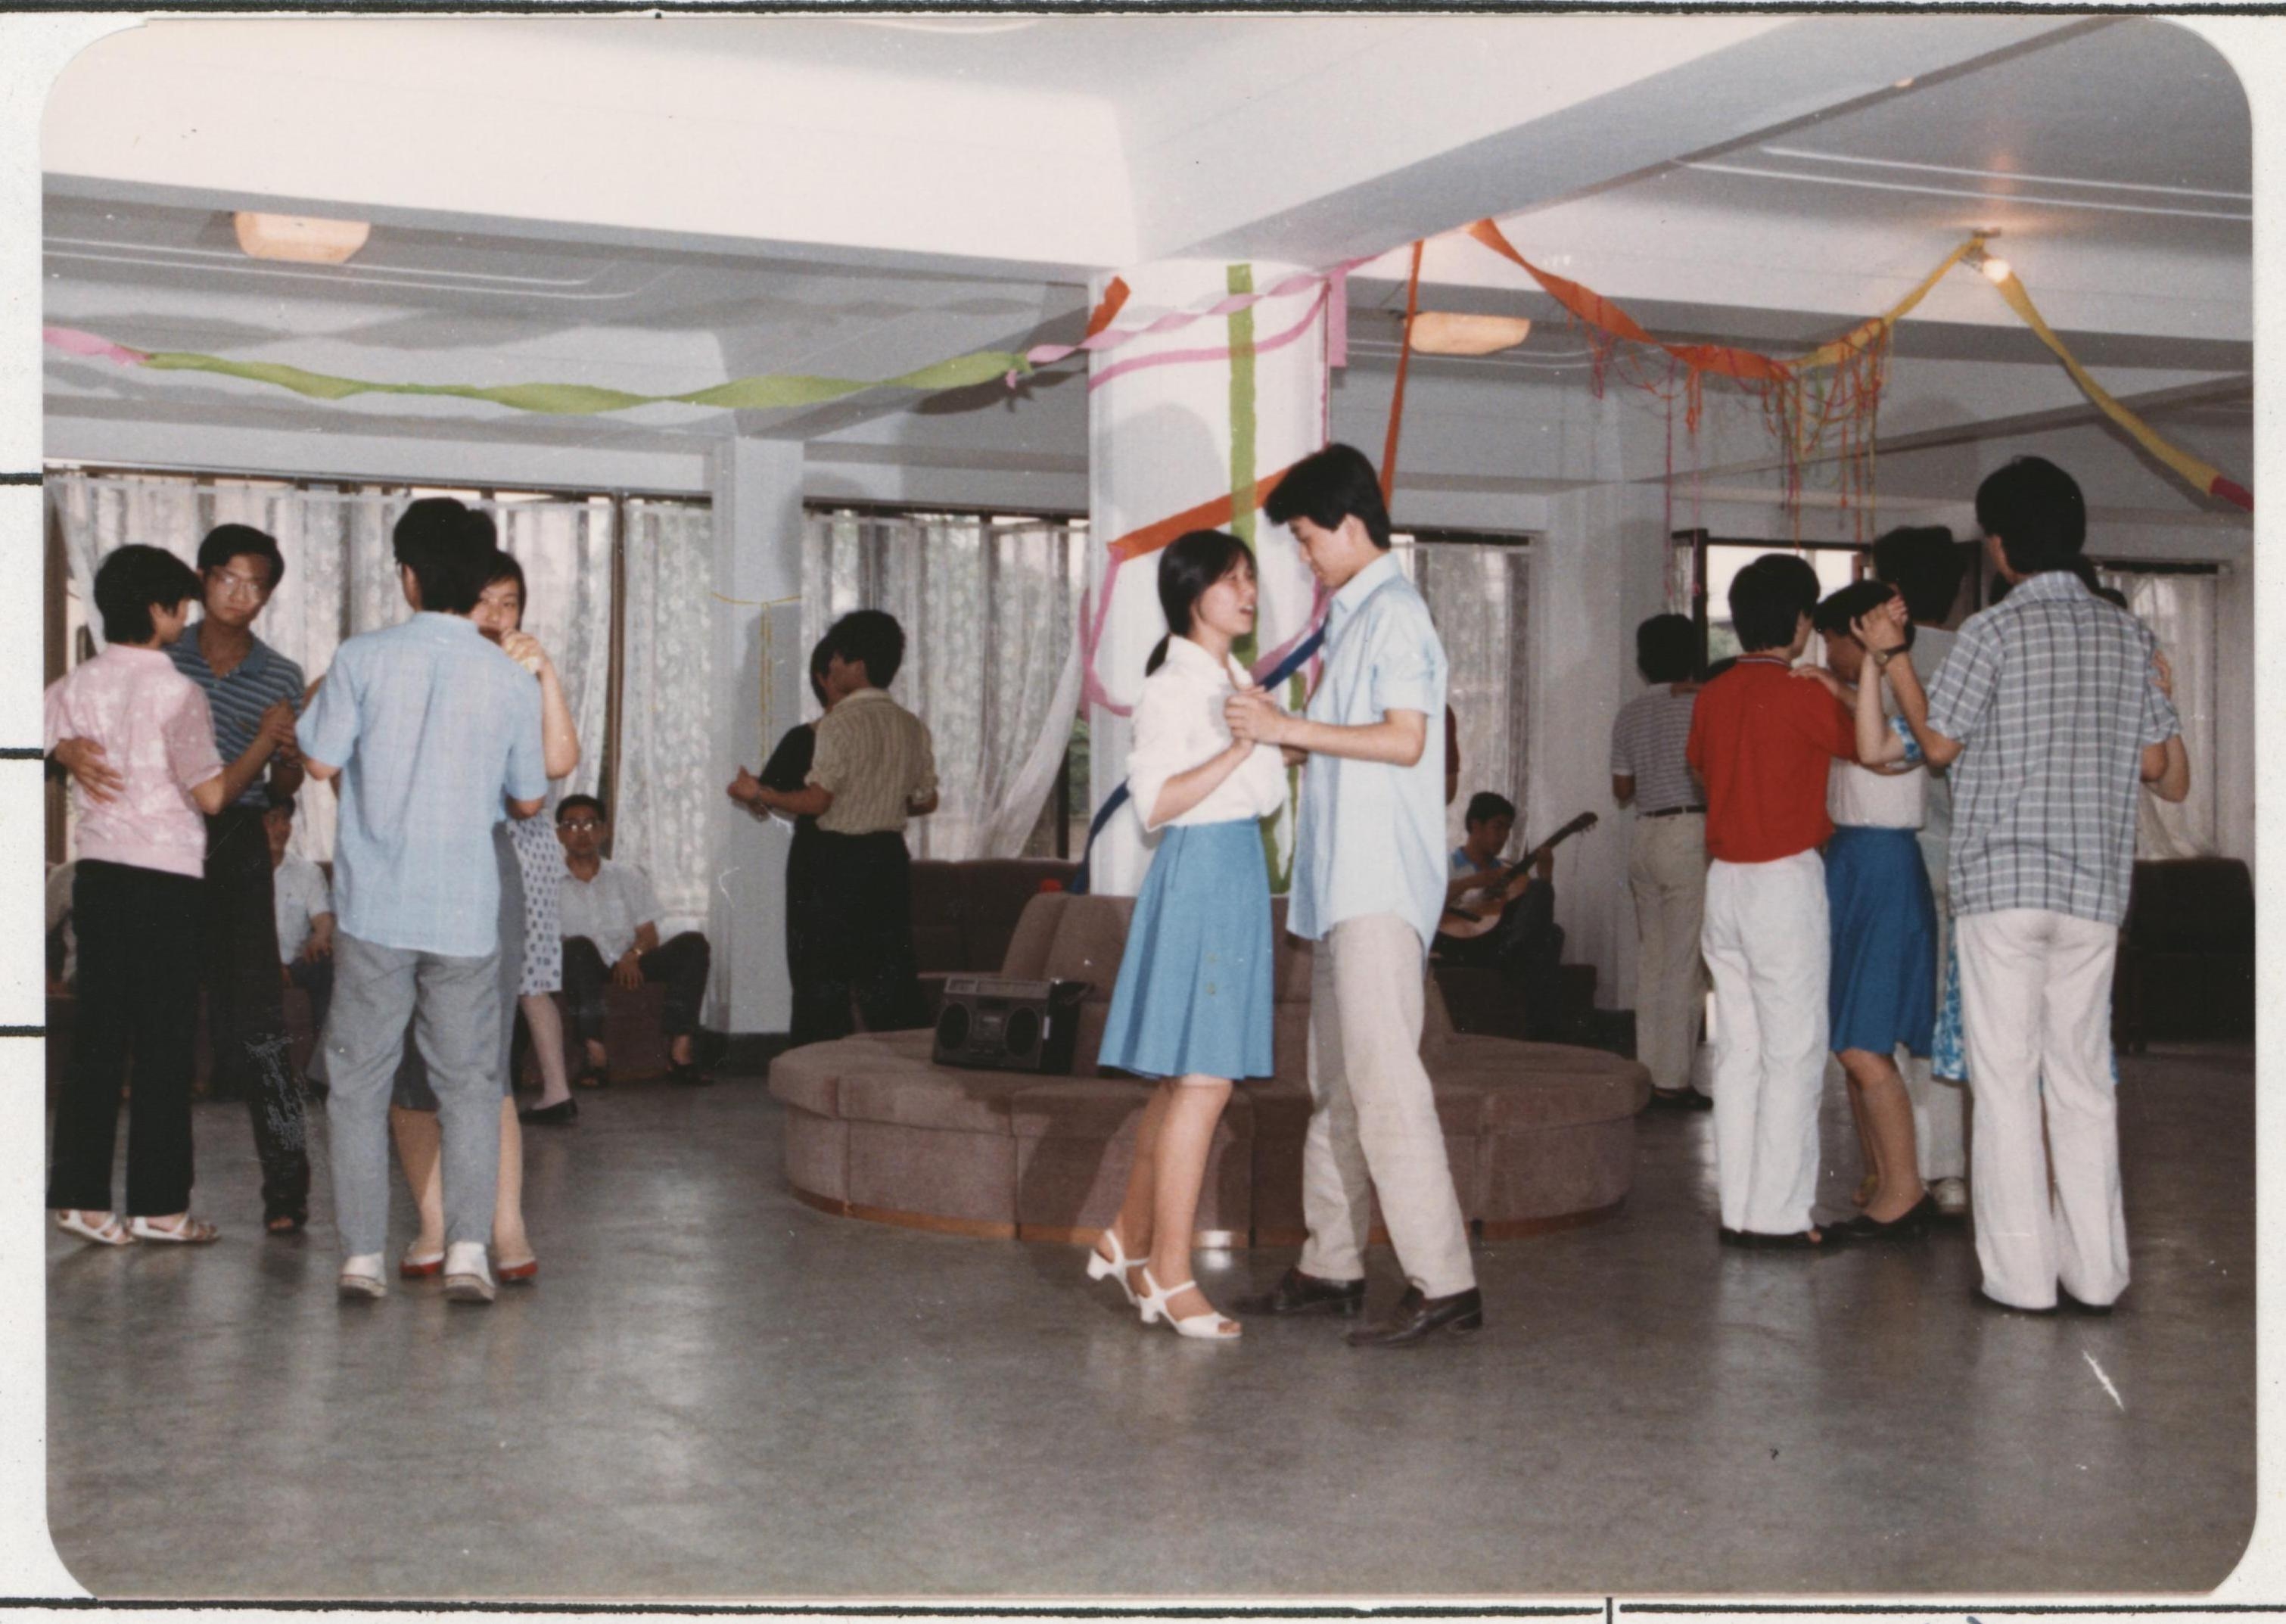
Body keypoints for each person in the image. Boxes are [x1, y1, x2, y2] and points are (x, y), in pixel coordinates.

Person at [1868, 457, 2188, 1314]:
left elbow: (1939, 746)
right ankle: (2098, 1274)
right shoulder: (2128, 636)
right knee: (2082, 1080)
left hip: (2004, 888)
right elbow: (2159, 770)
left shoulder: (1992, 631)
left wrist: (1895, 662)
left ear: (2001, 546)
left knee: (2006, 1085)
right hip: (2093, 895)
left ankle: (2021, 1281)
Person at [1226, 443, 1482, 1348]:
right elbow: (1351, 744)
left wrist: (1290, 726)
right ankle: (1330, 1264)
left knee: (1384, 1087)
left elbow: (1407, 740)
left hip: (1378, 888)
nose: (1303, 557)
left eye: (1304, 538)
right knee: (1334, 1087)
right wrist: (1285, 737)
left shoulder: (1397, 614)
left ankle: (1446, 1282)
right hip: (1342, 890)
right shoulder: (1357, 616)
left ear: (1345, 523)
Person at [297, 498, 549, 1304]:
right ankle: (469, 1251)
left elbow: (318, 761)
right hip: (466, 911)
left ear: (407, 575)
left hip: (377, 908)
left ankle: (362, 1258)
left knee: (359, 1085)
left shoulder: (362, 657)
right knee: (471, 1084)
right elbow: (529, 797)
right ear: (478, 583)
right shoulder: (508, 677)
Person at [52, 523, 312, 1233]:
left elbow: (282, 783)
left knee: (260, 1024)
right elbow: (79, 721)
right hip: (157, 851)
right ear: (200, 580)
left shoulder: (282, 674)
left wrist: (287, 754)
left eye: (257, 585)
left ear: (268, 596)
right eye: (228, 578)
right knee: (152, 1025)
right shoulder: (156, 650)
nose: (241, 595)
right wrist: (65, 750)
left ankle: (288, 1186)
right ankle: (150, 1203)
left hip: (236, 841)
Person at [1086, 530, 1289, 1340]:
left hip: (1234, 870)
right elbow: (1155, 804)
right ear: (1191, 590)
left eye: (1251, 579)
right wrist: (1243, 745)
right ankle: (1170, 1274)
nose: (1248, 593)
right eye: (1232, 580)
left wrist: (1269, 737)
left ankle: (1129, 1242)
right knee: (1203, 1084)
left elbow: (1264, 787)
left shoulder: (1233, 678)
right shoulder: (1173, 686)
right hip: (1203, 868)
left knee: (1185, 1084)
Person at [389, 549, 583, 1288]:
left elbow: (558, 763)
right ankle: (434, 1222)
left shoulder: (516, 678)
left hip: (488, 868)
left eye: (510, 601)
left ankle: (507, 1227)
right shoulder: (411, 665)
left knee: (483, 1055)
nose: (498, 617)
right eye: (483, 601)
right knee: (412, 1063)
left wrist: (546, 675)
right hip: (408, 873)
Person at [1684, 553, 1860, 1249]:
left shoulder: (1713, 693)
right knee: (1792, 1052)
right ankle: (1780, 1218)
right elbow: (1876, 747)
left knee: (1739, 1052)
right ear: (1800, 622)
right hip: (1783, 880)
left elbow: (1702, 768)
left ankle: (1739, 1210)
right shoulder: (1802, 692)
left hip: (1724, 881)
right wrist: (1843, 689)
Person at [1799, 581, 1939, 1240]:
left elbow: (1880, 751)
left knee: (1863, 1041)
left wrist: (1853, 681)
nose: (1827, 655)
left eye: (1832, 642)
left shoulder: (1906, 702)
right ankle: (1885, 1177)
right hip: (1852, 863)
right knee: (1849, 1038)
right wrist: (1840, 689)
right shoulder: (1859, 695)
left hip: (1882, 868)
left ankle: (1905, 1189)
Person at [741, 609, 938, 1041]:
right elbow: (926, 800)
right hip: (888, 861)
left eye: (836, 660)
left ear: (858, 666)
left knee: (819, 982)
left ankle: (818, 1073)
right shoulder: (912, 726)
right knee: (891, 980)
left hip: (832, 862)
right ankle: (909, 1074)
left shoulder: (837, 724)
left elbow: (817, 801)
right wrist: (878, 799)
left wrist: (762, 793)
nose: (830, 668)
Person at [1870, 524, 1970, 1218]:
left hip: (1903, 858)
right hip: (1970, 862)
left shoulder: (1880, 665)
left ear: (1893, 590)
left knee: (1904, 1022)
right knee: (1952, 1020)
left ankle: (1911, 1169)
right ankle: (1952, 1172)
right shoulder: (1977, 652)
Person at [1609, 612, 1711, 1110]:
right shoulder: (1701, 705)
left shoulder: (1629, 712)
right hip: (1687, 832)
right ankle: (1675, 1080)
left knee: (1652, 960)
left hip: (1644, 835)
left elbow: (1621, 789)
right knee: (1683, 962)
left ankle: (1648, 1075)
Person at [728, 638, 839, 1046]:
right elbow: (764, 797)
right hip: (819, 863)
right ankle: (812, 1072)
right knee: (813, 976)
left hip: (874, 861)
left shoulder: (890, 731)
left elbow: (923, 799)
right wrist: (752, 794)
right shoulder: (804, 738)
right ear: (823, 679)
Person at [557, 795, 714, 1083]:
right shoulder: (546, 882)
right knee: (577, 947)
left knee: (693, 944)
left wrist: (634, 954)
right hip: (582, 966)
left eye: (590, 824)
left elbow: (648, 934)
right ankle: (595, 1055)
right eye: (572, 825)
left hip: (630, 961)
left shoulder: (627, 875)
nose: (582, 832)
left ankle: (680, 1051)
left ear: (603, 831)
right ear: (560, 834)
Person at [1434, 792, 1564, 1014]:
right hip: (1460, 944)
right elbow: (1428, 904)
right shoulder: (1446, 865)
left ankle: (1514, 961)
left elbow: (1531, 917)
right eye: (1498, 827)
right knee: (1547, 940)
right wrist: (1472, 881)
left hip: (1498, 943)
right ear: (1476, 825)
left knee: (1552, 928)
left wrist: (1545, 877)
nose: (1504, 836)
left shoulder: (1508, 872)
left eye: (1508, 829)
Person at [263, 793, 335, 1094]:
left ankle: (321, 1077)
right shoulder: (239, 872)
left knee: (326, 965)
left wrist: (320, 936)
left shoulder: (308, 873)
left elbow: (323, 919)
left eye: (286, 820)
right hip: (253, 964)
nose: (282, 829)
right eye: (273, 821)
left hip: (296, 965)